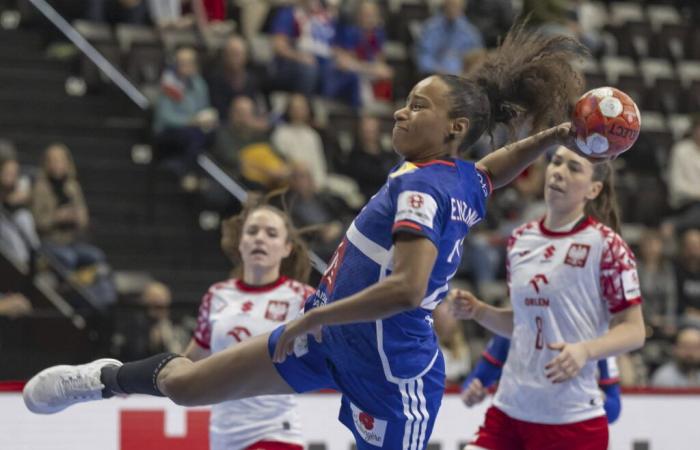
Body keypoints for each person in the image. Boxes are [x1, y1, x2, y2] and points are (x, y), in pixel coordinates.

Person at [23, 27, 587, 449]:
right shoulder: (463, 178)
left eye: (418, 105)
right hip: (333, 336)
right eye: (406, 99)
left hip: (390, 372)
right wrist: (558, 133)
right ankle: (101, 379)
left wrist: (312, 318)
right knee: (190, 387)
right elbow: (495, 167)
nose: (399, 110)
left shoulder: (426, 190)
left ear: (454, 129)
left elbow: (408, 290)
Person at [450, 145, 646, 450]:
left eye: (573, 167)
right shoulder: (520, 240)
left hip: (571, 421)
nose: (558, 171)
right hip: (509, 410)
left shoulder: (607, 245)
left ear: (593, 189)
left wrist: (585, 350)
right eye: (556, 162)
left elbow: (634, 331)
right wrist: (479, 311)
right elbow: (523, 324)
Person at [188, 203, 314, 449]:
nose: (260, 239)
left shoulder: (302, 297)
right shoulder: (217, 295)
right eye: (252, 231)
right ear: (240, 242)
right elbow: (193, 357)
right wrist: (139, 379)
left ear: (287, 248)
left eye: (271, 233)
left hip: (275, 432)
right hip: (223, 435)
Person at [461, 335, 622, 424]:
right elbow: (476, 380)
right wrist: (471, 392)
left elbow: (614, 409)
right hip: (521, 425)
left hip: (572, 428)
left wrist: (589, 395)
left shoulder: (595, 333)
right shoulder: (514, 326)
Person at [416, 0, 484, 76]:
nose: (452, 9)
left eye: (456, 6)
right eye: (450, 5)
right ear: (444, 5)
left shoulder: (470, 32)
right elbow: (423, 58)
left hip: (463, 78)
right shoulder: (431, 28)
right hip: (436, 76)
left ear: (463, 7)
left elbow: (478, 59)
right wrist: (438, 70)